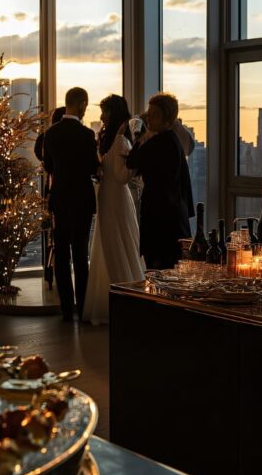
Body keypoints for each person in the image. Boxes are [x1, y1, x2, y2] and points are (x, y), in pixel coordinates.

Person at [82, 95, 144, 325]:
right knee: (117, 242)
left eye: (105, 111)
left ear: (113, 113)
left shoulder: (116, 141)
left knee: (111, 243)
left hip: (111, 197)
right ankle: (123, 299)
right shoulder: (119, 141)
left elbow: (119, 178)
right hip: (113, 198)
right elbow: (123, 176)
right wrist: (134, 165)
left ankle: (118, 299)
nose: (101, 116)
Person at [42, 88, 99, 321]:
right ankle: (83, 306)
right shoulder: (86, 135)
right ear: (82, 104)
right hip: (82, 199)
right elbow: (93, 168)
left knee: (62, 253)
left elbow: (48, 166)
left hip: (60, 198)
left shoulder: (51, 133)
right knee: (80, 253)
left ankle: (67, 309)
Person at [126, 93, 194, 270]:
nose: (149, 117)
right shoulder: (173, 141)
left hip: (161, 225)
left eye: (154, 114)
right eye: (149, 113)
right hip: (174, 221)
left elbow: (131, 161)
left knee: (158, 274)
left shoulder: (158, 143)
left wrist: (140, 136)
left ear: (167, 121)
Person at [35, 107, 66, 290]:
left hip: (51, 190)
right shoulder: (62, 139)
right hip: (58, 190)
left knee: (51, 236)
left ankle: (49, 274)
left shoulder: (47, 137)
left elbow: (42, 158)